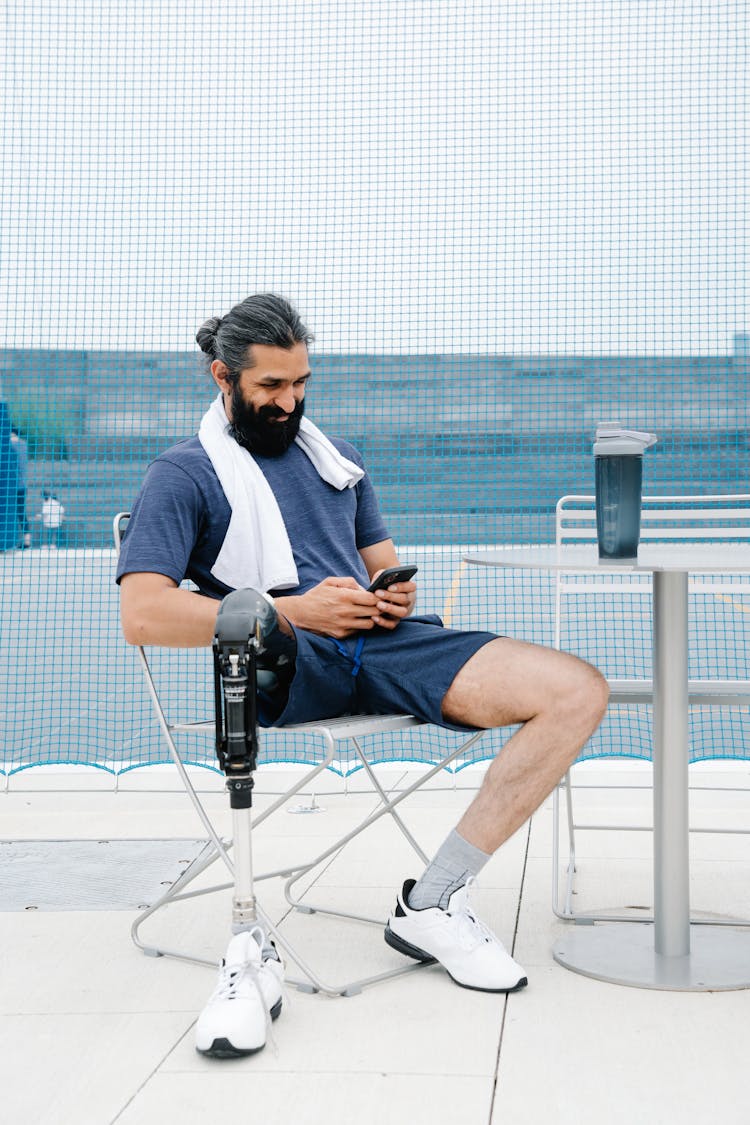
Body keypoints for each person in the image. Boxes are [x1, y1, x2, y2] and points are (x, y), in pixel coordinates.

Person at [117, 293, 608, 1058]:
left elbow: (381, 568)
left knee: (577, 690)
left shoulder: (336, 461)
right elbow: (142, 613)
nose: (290, 401)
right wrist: (296, 611)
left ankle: (433, 901)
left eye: (301, 382)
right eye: (271, 387)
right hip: (284, 656)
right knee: (265, 626)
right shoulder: (183, 474)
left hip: (379, 646)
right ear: (224, 376)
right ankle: (247, 948)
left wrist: (395, 593)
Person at [9, 427, 30, 548]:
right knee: (21, 512)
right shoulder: (24, 445)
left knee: (8, 511)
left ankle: (9, 539)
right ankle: (27, 540)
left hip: (9, 485)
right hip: (22, 485)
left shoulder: (8, 444)